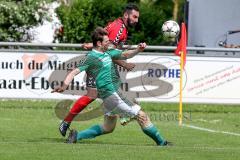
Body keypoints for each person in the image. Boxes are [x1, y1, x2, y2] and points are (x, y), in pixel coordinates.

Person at [53, 27, 170, 146]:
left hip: (108, 96)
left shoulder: (107, 52)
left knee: (108, 127)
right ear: (99, 43)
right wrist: (64, 86)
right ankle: (162, 142)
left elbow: (125, 54)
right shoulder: (91, 58)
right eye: (106, 41)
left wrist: (138, 49)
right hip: (112, 96)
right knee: (142, 116)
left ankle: (77, 136)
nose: (109, 43)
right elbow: (73, 72)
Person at [58, 3, 140, 137]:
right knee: (93, 94)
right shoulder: (119, 28)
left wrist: (90, 44)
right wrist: (124, 65)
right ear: (126, 15)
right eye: (134, 17)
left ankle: (123, 114)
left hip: (102, 63)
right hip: (96, 63)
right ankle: (66, 122)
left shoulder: (120, 26)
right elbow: (108, 51)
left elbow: (105, 43)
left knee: (109, 91)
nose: (136, 20)